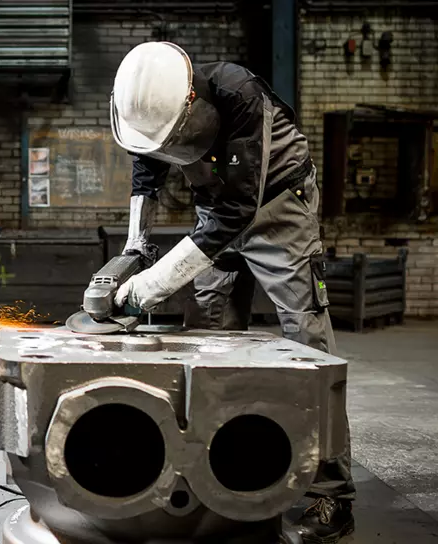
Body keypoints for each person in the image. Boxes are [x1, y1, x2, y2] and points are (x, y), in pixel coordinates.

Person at [109, 41, 356, 543]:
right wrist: (135, 247)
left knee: (308, 344)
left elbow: (236, 213)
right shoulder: (138, 105)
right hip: (215, 214)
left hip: (279, 208)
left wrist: (153, 286)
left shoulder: (239, 93)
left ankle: (330, 492)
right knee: (207, 339)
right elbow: (145, 176)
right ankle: (216, 471)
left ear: (191, 102)